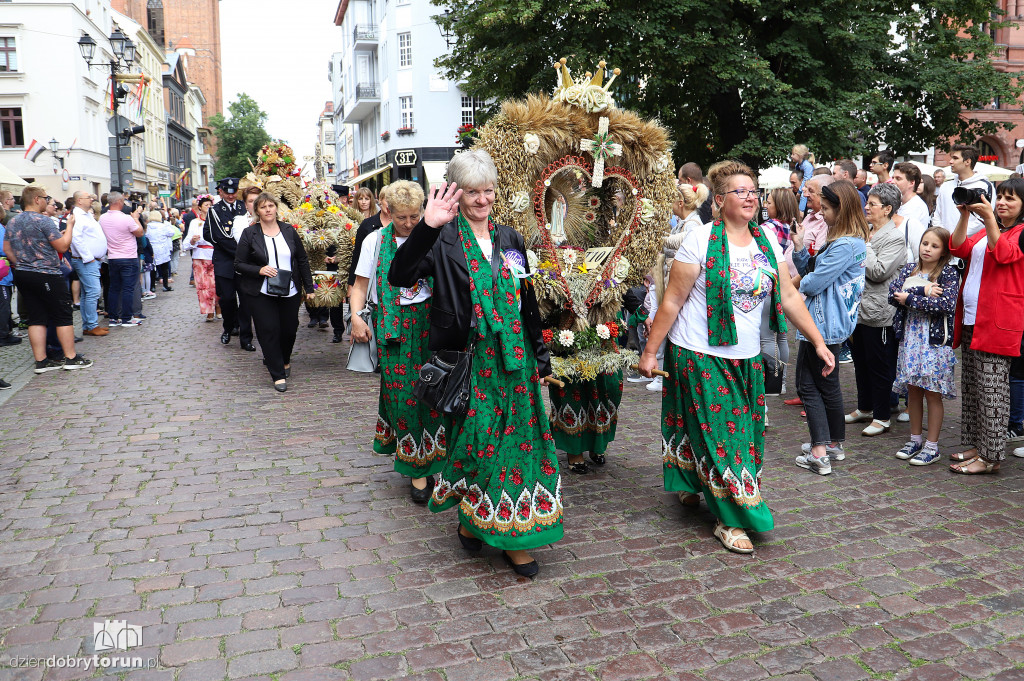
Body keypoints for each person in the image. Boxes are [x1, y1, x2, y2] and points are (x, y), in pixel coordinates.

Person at [639, 160, 835, 554]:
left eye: (754, 192)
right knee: (726, 435)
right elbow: (672, 300)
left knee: (744, 433)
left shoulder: (767, 241)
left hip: (746, 358)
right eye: (740, 192)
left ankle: (696, 483)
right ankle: (731, 519)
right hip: (699, 353)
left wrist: (817, 341)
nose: (750, 198)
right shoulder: (700, 239)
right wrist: (649, 351)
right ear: (720, 200)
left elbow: (789, 296)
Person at [389, 149, 561, 577]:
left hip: (515, 360)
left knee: (519, 443)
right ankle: (472, 518)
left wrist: (541, 356)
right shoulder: (442, 238)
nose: (482, 201)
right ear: (456, 194)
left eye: (488, 191)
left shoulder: (511, 239)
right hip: (470, 362)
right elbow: (399, 275)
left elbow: (526, 302)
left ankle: (513, 536)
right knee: (480, 444)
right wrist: (428, 226)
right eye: (472, 193)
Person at [348, 180, 445, 502]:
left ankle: (437, 458)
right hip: (394, 333)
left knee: (435, 394)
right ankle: (416, 468)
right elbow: (360, 284)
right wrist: (357, 317)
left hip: (432, 329)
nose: (408, 224)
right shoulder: (376, 240)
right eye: (402, 217)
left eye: (414, 217)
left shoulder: (436, 237)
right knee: (404, 398)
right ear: (388, 210)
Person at [789, 180, 868, 475]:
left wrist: (792, 284)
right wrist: (799, 249)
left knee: (807, 385)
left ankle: (819, 453)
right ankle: (833, 444)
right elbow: (813, 268)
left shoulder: (844, 245)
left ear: (841, 209)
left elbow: (812, 281)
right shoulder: (850, 241)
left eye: (826, 209)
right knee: (828, 386)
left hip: (821, 324)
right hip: (832, 324)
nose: (821, 214)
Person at [947, 178, 1024, 473]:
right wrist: (966, 215)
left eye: (1010, 199)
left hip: (998, 322)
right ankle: (976, 445)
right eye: (1000, 197)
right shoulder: (989, 230)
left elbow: (1003, 253)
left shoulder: (1019, 232)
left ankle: (991, 457)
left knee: (993, 391)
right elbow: (957, 247)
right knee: (972, 388)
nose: (1002, 202)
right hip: (972, 319)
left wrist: (990, 216)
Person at [1, 184, 92, 372]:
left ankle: (41, 361)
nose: (47, 200)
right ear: (36, 200)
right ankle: (71, 357)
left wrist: (21, 263)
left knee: (36, 317)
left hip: (23, 274)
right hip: (47, 274)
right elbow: (62, 247)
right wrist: (71, 227)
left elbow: (8, 249)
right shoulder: (43, 221)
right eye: (45, 197)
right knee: (62, 315)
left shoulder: (13, 222)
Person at [888, 227, 959, 465]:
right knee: (913, 390)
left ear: (945, 252)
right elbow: (892, 294)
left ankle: (932, 446)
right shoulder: (910, 268)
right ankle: (915, 439)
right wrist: (924, 290)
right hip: (910, 339)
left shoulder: (948, 273)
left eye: (934, 246)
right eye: (925, 243)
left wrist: (909, 298)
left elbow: (946, 305)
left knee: (932, 393)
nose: (927, 249)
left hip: (934, 344)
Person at [234, 193, 315, 392]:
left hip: (290, 290)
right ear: (257, 211)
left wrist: (309, 287)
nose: (268, 209)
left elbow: (302, 259)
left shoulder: (288, 230)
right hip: (261, 291)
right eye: (263, 207)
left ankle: (285, 358)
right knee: (268, 330)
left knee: (289, 329)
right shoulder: (249, 233)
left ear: (276, 208)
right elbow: (239, 264)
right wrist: (259, 269)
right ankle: (277, 374)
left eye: (271, 205)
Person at [844, 182, 907, 436]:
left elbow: (879, 271)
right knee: (860, 362)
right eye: (867, 202)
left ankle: (882, 416)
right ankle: (865, 407)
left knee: (880, 367)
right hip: (859, 310)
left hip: (880, 313)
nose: (866, 207)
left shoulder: (894, 238)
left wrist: (864, 245)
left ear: (888, 209)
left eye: (872, 204)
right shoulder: (868, 232)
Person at [206, 178, 255, 351]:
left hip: (245, 263)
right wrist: (241, 252)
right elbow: (215, 237)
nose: (231, 195)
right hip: (226, 261)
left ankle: (246, 338)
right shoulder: (214, 211)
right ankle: (228, 327)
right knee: (226, 299)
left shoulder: (245, 208)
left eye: (233, 192)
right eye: (227, 192)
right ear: (221, 192)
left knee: (246, 300)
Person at [760, 188, 800, 396]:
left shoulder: (767, 228)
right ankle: (781, 381)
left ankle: (772, 381)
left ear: (779, 205)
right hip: (785, 286)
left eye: (769, 202)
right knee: (782, 338)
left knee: (767, 337)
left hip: (767, 288)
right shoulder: (790, 227)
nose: (765, 205)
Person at [99, 193, 145, 327]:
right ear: (119, 201)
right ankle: (126, 318)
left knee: (114, 288)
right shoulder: (126, 218)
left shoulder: (102, 218)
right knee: (128, 288)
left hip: (113, 257)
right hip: (128, 257)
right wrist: (136, 218)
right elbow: (140, 233)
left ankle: (113, 318)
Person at [67, 191, 108, 337]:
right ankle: (91, 324)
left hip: (91, 260)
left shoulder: (85, 215)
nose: (91, 199)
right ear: (79, 200)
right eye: (88, 198)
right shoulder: (78, 216)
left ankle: (88, 324)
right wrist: (88, 257)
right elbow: (76, 238)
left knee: (87, 293)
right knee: (93, 292)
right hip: (86, 261)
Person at [935, 145, 995, 237]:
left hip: (970, 244)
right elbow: (937, 214)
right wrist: (941, 236)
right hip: (944, 242)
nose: (950, 161)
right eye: (951, 158)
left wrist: (957, 237)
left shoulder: (984, 186)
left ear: (967, 161)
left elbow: (983, 219)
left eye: (955, 158)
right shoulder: (945, 186)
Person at [182, 196, 218, 320]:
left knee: (215, 284)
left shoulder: (216, 221)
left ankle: (218, 305)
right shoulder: (195, 222)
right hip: (200, 256)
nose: (208, 207)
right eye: (206, 205)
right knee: (203, 285)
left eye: (210, 205)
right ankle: (209, 310)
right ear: (200, 208)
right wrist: (193, 240)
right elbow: (186, 244)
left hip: (215, 255)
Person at [892, 163, 929, 262]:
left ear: (911, 183)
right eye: (893, 178)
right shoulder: (899, 204)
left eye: (898, 179)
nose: (892, 181)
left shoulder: (917, 207)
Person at [146, 211, 175, 292]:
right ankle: (165, 285)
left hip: (152, 249)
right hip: (163, 249)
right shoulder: (164, 226)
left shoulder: (148, 227)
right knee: (164, 268)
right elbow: (171, 233)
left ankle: (152, 286)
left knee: (153, 269)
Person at [791, 144, 815, 212]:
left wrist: (799, 191)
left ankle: (801, 211)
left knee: (803, 196)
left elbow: (806, 179)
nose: (791, 156)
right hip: (804, 184)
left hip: (808, 184)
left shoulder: (806, 165)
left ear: (799, 155)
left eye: (793, 154)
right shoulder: (798, 165)